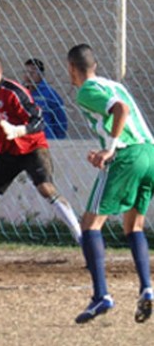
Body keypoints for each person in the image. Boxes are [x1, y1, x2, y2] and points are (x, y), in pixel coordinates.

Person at [66, 44, 153, 324]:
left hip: (127, 156)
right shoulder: (113, 84)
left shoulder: (86, 90)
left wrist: (111, 148)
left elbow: (121, 110)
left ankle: (101, 295)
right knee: (134, 226)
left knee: (90, 225)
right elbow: (122, 112)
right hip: (149, 153)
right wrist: (104, 147)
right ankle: (147, 289)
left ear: (72, 68)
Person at [0, 54, 82, 257]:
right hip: (8, 152)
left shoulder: (14, 92)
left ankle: (81, 237)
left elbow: (39, 121)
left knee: (46, 189)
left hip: (32, 148)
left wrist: (19, 131)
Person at [23, 58, 68, 139]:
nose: (28, 76)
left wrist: (57, 139)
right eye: (26, 72)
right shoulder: (21, 92)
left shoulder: (50, 94)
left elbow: (61, 119)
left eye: (32, 73)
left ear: (41, 74)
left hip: (45, 139)